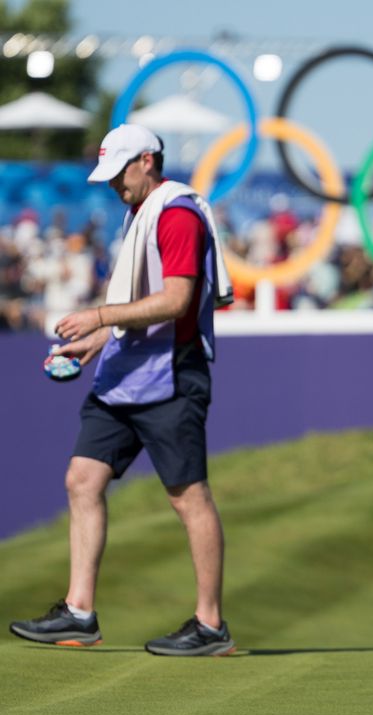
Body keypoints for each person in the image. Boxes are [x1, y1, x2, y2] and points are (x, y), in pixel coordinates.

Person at [9, 124, 236, 656]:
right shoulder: (142, 212)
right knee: (82, 478)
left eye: (119, 173)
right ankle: (79, 613)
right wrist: (95, 340)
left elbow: (176, 300)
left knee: (187, 496)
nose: (113, 186)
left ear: (148, 161)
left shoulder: (176, 213)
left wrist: (99, 314)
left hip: (172, 373)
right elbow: (143, 303)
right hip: (125, 370)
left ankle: (210, 625)